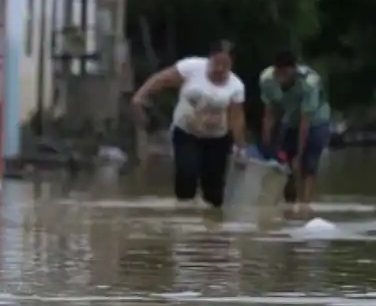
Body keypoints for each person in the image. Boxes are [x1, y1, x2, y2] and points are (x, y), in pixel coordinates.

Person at [131, 41, 247, 207]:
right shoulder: (191, 68)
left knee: (214, 191)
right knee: (187, 175)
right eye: (216, 63)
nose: (220, 69)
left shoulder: (236, 86)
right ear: (210, 59)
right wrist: (140, 97)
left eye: (225, 65)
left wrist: (240, 147)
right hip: (186, 133)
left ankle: (211, 221)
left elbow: (236, 118)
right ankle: (184, 217)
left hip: (217, 139)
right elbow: (161, 80)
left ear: (232, 64)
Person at [259, 49, 331, 205]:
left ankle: (305, 203)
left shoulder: (309, 82)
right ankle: (290, 201)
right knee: (285, 163)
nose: (282, 77)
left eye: (286, 72)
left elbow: (305, 121)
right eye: (279, 73)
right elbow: (270, 113)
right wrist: (266, 144)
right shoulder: (267, 79)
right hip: (291, 118)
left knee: (307, 164)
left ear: (294, 70)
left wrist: (299, 154)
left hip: (316, 119)